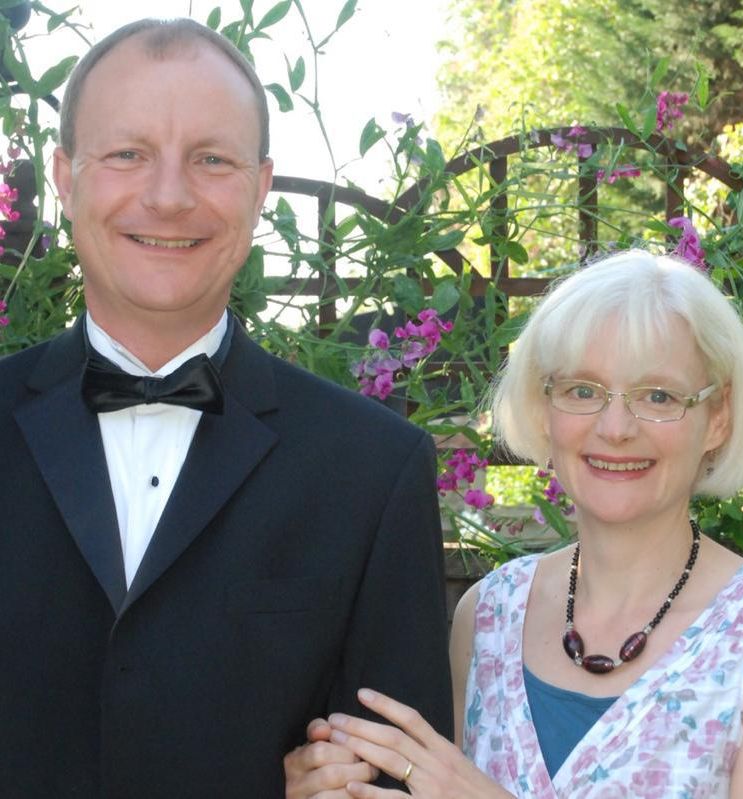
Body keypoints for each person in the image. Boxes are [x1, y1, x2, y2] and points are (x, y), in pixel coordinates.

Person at [0, 18, 452, 797]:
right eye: (128, 154)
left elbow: (393, 779)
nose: (169, 196)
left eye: (211, 159)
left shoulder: (373, 470)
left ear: (260, 187)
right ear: (66, 178)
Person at [288, 250, 743, 798]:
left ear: (718, 417)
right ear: (543, 405)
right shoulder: (489, 614)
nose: (616, 428)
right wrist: (331, 784)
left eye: (658, 396)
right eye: (583, 390)